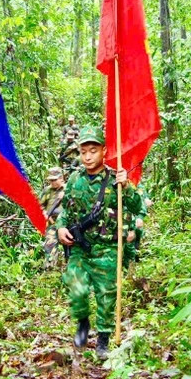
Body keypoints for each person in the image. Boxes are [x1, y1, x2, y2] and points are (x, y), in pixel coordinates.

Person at [56, 126, 143, 360]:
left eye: (92, 150)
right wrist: (61, 228)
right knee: (75, 286)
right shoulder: (74, 179)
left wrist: (126, 187)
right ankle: (83, 322)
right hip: (80, 248)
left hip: (107, 248)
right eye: (83, 151)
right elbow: (66, 210)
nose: (87, 156)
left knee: (106, 294)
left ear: (103, 151)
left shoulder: (116, 179)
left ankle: (103, 339)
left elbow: (137, 207)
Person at [40, 166, 66, 268]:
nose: (52, 182)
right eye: (50, 180)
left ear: (61, 178)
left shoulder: (68, 188)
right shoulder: (47, 191)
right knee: (50, 245)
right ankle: (50, 268)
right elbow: (40, 205)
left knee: (70, 246)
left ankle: (69, 268)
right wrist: (45, 214)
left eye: (54, 180)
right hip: (53, 223)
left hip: (66, 224)